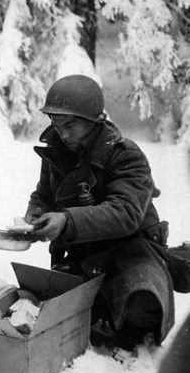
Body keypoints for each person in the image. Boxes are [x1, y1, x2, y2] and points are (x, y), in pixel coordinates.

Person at [25, 74, 175, 351]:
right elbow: (44, 195)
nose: (63, 134)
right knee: (40, 308)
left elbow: (126, 213)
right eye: (56, 125)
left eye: (71, 125)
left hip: (131, 250)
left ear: (95, 121)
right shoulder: (57, 151)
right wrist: (37, 212)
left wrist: (67, 221)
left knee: (142, 304)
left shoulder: (126, 155)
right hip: (84, 255)